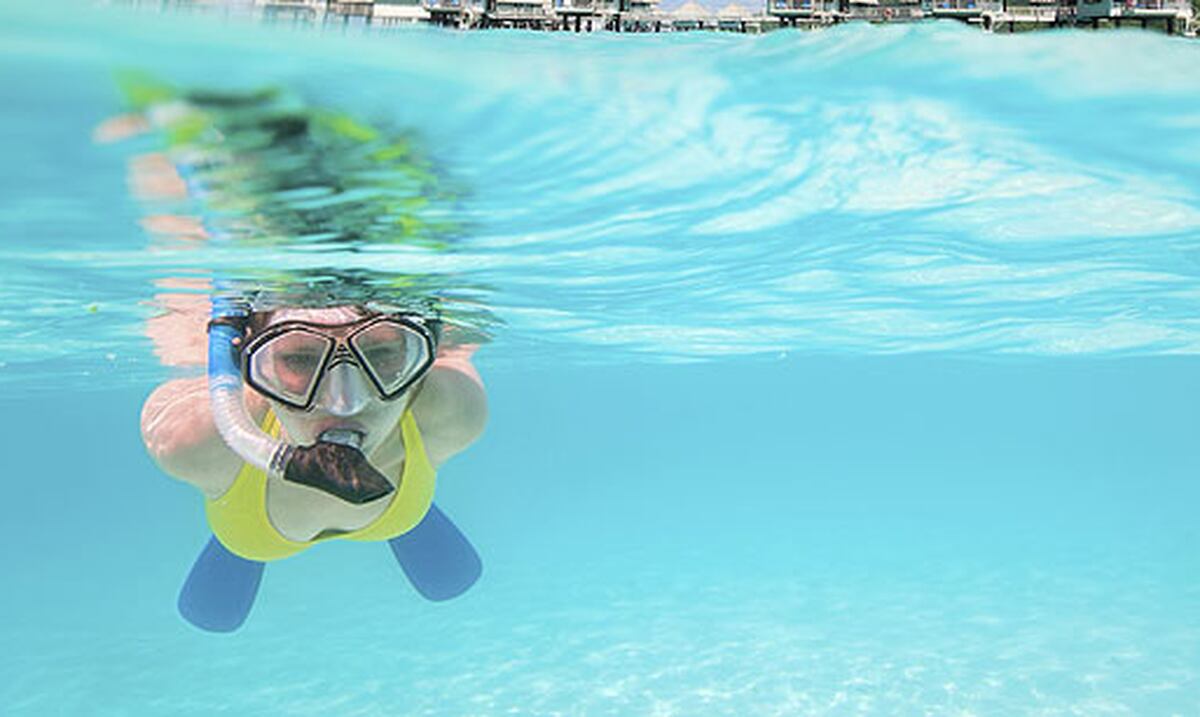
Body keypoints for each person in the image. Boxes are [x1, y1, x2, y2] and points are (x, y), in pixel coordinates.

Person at [140, 301, 488, 631]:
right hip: (258, 532)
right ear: (250, 366)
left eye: (381, 353)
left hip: (265, 531)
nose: (345, 403)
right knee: (213, 615)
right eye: (301, 359)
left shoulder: (454, 412)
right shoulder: (199, 442)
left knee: (451, 581)